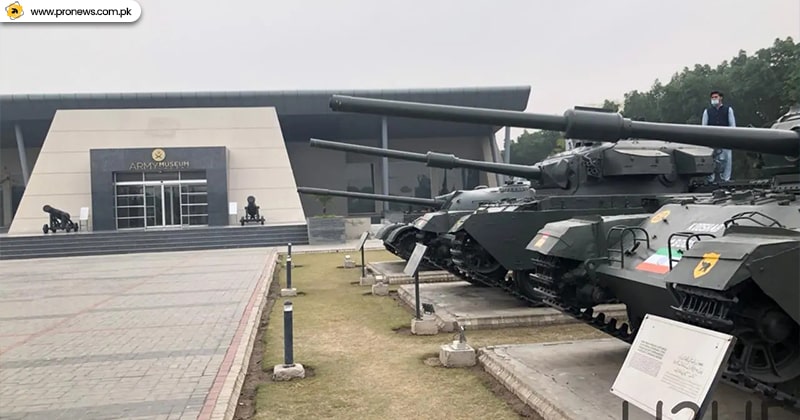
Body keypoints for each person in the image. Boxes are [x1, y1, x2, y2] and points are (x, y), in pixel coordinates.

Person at [701, 91, 736, 182]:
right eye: (712, 97)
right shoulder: (707, 111)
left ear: (721, 98)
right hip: (711, 139)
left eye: (716, 97)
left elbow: (732, 125)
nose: (714, 99)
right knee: (711, 159)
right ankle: (710, 179)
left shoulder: (728, 110)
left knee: (727, 159)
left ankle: (726, 179)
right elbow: (703, 127)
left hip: (725, 138)